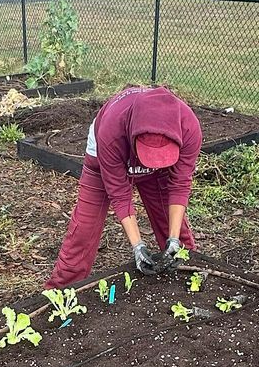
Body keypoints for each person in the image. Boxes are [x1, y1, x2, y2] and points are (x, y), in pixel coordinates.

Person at [48, 86, 203, 285]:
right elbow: (120, 194)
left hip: (158, 163)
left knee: (175, 229)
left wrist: (174, 240)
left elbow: (179, 185)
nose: (151, 163)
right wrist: (137, 246)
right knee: (84, 231)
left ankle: (188, 273)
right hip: (104, 158)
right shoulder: (111, 131)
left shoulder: (189, 128)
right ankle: (61, 289)